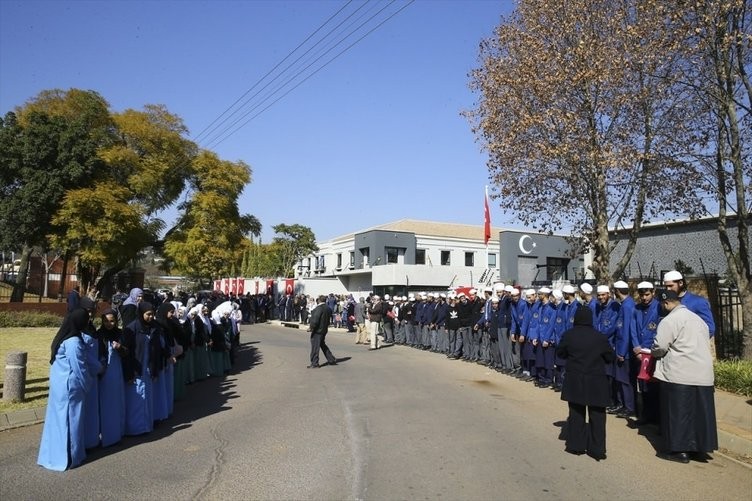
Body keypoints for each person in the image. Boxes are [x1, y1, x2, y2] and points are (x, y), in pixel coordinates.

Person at [651, 289, 717, 463]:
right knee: (699, 414)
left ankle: (679, 451)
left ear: (665, 303)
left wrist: (653, 352)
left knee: (678, 414)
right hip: (703, 375)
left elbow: (660, 346)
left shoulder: (670, 320)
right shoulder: (698, 320)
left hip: (680, 374)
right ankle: (700, 448)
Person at [556, 307, 615, 461]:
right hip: (596, 380)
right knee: (598, 416)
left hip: (575, 379)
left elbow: (560, 353)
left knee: (576, 413)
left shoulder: (569, 335)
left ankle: (576, 445)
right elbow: (610, 357)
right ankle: (597, 449)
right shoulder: (600, 337)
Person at [37, 309, 91, 471]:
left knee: (56, 421)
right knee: (71, 421)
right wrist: (88, 384)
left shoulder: (62, 337)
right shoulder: (74, 342)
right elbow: (79, 367)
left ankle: (52, 455)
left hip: (59, 385)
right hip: (70, 387)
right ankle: (69, 456)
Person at [96, 308, 126, 447]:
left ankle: (116, 432)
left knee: (116, 401)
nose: (109, 324)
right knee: (104, 402)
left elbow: (127, 353)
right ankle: (104, 433)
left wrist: (120, 348)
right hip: (104, 373)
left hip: (116, 372)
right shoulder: (99, 334)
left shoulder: (119, 333)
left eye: (112, 321)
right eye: (106, 321)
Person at [307, 295, 337, 368]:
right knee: (322, 344)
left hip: (317, 330)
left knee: (315, 347)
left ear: (319, 300)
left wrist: (311, 327)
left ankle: (314, 363)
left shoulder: (319, 308)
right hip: (324, 329)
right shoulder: (328, 308)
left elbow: (315, 320)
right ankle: (331, 359)